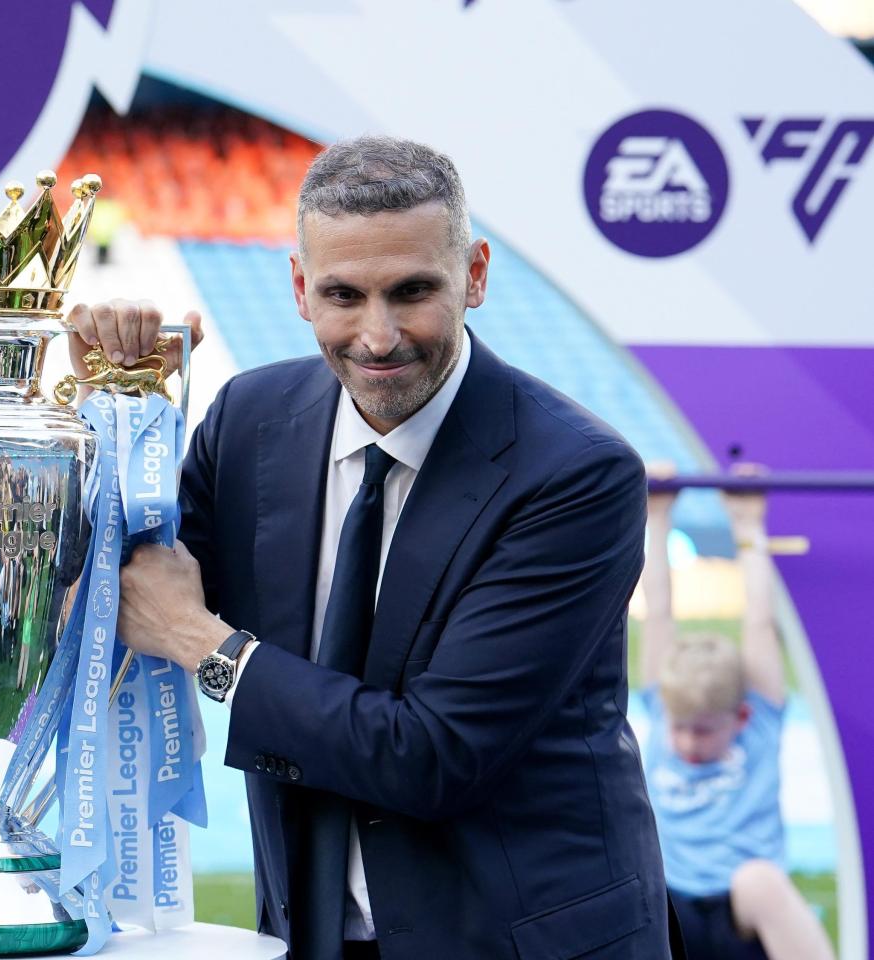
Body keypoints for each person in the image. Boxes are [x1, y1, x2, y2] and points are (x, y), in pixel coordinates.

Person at [108, 135, 675, 958]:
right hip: (311, 936)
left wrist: (206, 646)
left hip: (522, 943)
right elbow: (125, 593)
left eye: (412, 292)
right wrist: (109, 407)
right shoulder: (246, 422)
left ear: (475, 275)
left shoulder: (577, 474)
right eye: (344, 294)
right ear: (301, 289)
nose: (377, 336)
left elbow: (431, 755)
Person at [640, 466, 835, 959]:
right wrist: (658, 518)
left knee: (761, 880)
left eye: (703, 732)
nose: (686, 743)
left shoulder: (761, 722)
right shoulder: (664, 701)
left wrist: (748, 523)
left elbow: (760, 622)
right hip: (673, 914)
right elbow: (657, 611)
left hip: (740, 921)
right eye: (678, 728)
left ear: (740, 719)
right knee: (627, 875)